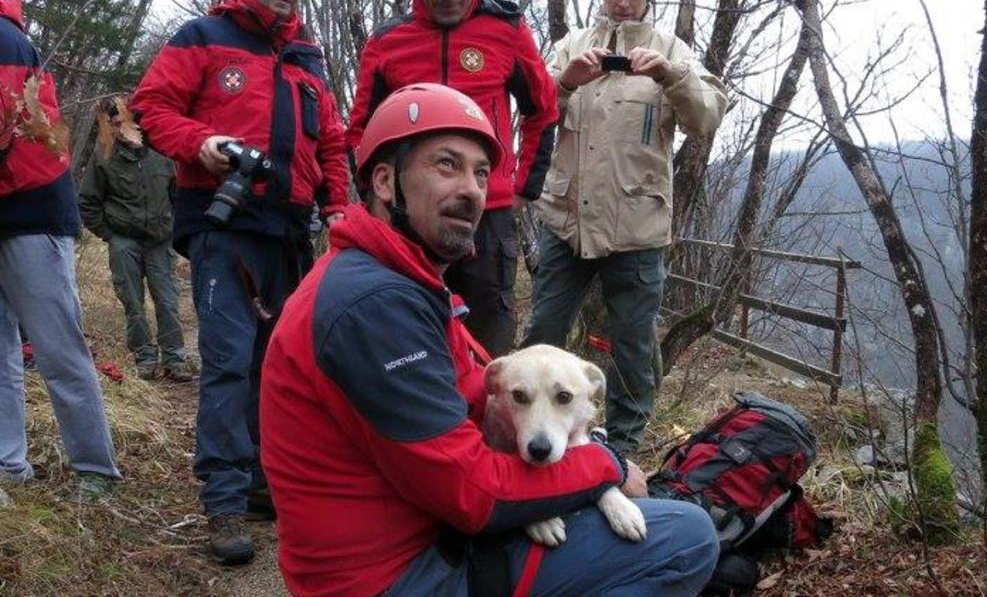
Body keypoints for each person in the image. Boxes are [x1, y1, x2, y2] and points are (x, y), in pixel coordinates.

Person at [261, 83, 719, 597]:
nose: (473, 189)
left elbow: (471, 403)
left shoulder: (399, 282)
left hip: (417, 538)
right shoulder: (372, 306)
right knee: (687, 537)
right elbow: (472, 494)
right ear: (386, 182)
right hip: (395, 575)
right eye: (446, 165)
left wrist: (580, 443)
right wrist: (603, 465)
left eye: (481, 173)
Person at [130, 0, 349, 564]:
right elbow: (151, 106)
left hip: (291, 231)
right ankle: (224, 497)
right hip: (222, 224)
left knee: (278, 366)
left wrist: (337, 209)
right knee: (228, 362)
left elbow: (331, 143)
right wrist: (201, 143)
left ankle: (260, 482)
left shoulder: (308, 60)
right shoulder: (202, 37)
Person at [522, 0, 729, 457]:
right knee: (544, 330)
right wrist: (565, 82)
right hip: (566, 222)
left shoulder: (671, 50)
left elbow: (706, 119)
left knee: (634, 344)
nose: (622, 2)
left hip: (637, 228)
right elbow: (532, 107)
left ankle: (623, 445)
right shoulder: (570, 45)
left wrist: (669, 75)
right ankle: (527, 429)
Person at [347, 0, 559, 358]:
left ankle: (483, 423)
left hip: (486, 212)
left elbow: (543, 110)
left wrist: (520, 189)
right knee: (403, 329)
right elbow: (360, 130)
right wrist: (376, 197)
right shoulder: (388, 41)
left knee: (486, 333)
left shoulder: (507, 30)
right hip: (408, 214)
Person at [0, 0, 121, 499]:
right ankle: (8, 465)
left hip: (33, 216)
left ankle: (95, 469)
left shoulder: (5, 40)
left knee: (56, 346)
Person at [79, 96, 190, 382]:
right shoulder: (104, 156)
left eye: (124, 123)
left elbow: (180, 196)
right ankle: (145, 358)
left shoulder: (163, 153)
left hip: (160, 240)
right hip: (123, 241)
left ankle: (175, 359)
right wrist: (110, 235)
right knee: (132, 303)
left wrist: (174, 229)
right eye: (114, 124)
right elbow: (88, 202)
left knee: (167, 300)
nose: (119, 129)